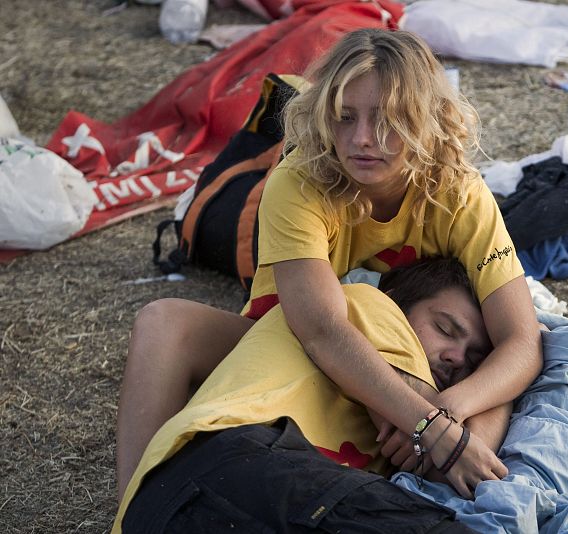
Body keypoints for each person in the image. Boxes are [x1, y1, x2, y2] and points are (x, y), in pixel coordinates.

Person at [116, 28, 543, 501]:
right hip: (284, 349)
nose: (361, 139)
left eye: (386, 121)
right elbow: (320, 330)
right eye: (344, 117)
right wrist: (426, 423)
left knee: (503, 379)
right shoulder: (300, 179)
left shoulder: (460, 193)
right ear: (321, 117)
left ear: (427, 121)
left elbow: (522, 343)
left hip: (410, 381)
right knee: (163, 322)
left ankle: (446, 489)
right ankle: (136, 504)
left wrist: (446, 413)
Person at [115, 258, 506, 533]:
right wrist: (505, 382)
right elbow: (455, 461)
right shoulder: (372, 307)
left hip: (190, 508)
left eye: (475, 358)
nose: (457, 358)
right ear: (399, 298)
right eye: (444, 328)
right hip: (246, 463)